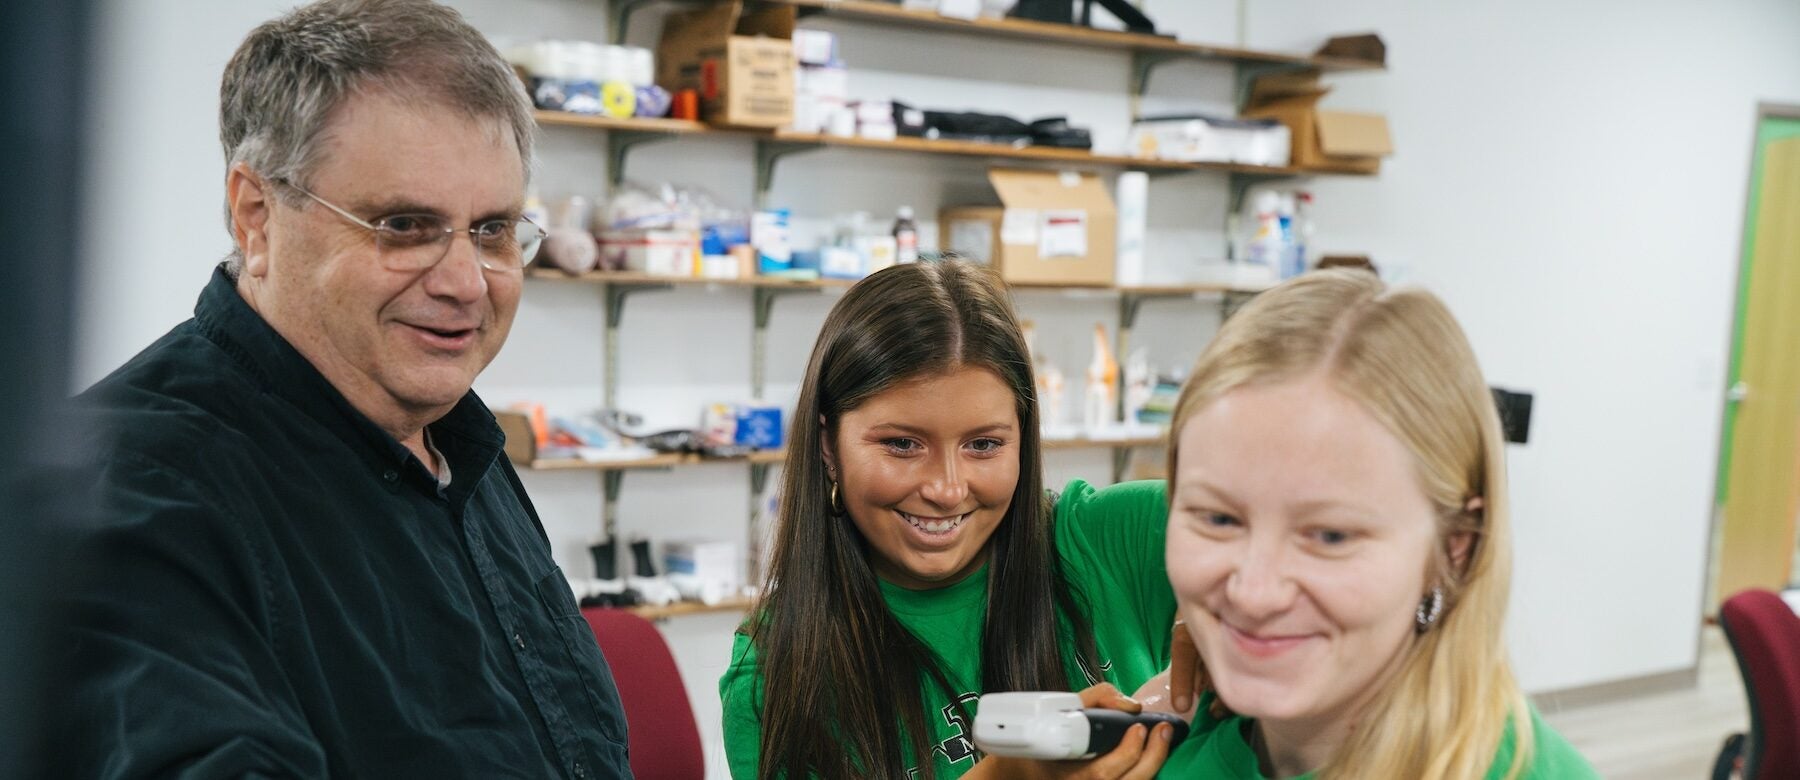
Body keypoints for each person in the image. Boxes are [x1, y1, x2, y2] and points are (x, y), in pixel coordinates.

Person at [48, 2, 630, 777]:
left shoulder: (457, 445)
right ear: (257, 217)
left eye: (493, 231)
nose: (465, 283)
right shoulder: (131, 493)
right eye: (404, 226)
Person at [720, 261, 1179, 779]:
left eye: (984, 444)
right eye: (901, 444)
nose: (946, 489)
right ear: (829, 446)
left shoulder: (1109, 542)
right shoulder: (775, 675)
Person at [1150, 269, 1595, 778]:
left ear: (1455, 546)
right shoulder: (1184, 747)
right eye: (1219, 518)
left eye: (1330, 536)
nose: (1254, 593)